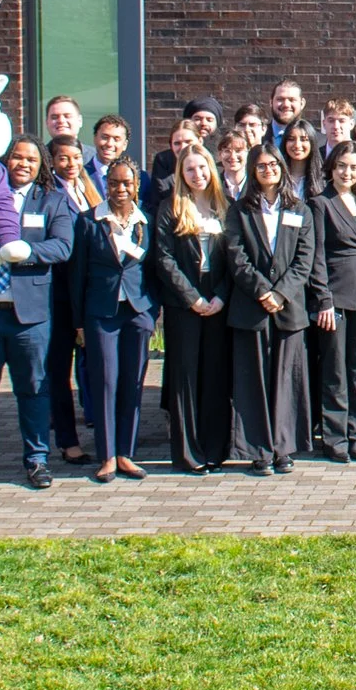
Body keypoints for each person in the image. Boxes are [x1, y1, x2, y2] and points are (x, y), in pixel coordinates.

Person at [0, 137, 74, 495]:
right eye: (17, 157)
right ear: (5, 161)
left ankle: (37, 460)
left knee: (34, 390)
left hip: (30, 316)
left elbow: (62, 247)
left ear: (42, 166)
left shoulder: (53, 200)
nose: (23, 163)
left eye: (32, 159)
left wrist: (19, 252)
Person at [229, 145, 317, 475]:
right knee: (255, 381)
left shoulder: (299, 209)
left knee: (287, 381)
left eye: (273, 164)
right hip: (251, 308)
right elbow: (237, 257)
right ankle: (258, 451)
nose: (268, 170)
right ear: (253, 171)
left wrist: (280, 293)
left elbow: (303, 260)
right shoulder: (239, 210)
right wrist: (262, 291)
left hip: (288, 308)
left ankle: (283, 448)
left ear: (282, 167)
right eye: (262, 166)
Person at [149, 143, 234, 474]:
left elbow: (234, 259)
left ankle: (215, 449)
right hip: (184, 305)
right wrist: (192, 298)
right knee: (185, 378)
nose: (197, 175)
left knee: (215, 377)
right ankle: (188, 454)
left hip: (218, 301)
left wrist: (222, 296)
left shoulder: (224, 206)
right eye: (189, 169)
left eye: (202, 168)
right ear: (180, 175)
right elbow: (164, 259)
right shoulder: (171, 208)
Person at [75, 162, 157, 484]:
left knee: (133, 383)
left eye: (127, 183)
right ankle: (107, 455)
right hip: (101, 312)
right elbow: (76, 275)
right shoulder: (88, 222)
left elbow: (153, 270)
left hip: (137, 312)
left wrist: (152, 313)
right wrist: (79, 321)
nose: (120, 189)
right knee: (105, 381)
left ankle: (126, 452)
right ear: (106, 184)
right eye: (114, 183)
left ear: (136, 185)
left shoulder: (145, 220)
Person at [311, 142, 356, 462]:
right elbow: (316, 257)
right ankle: (335, 437)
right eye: (342, 166)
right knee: (335, 370)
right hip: (335, 297)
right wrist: (323, 299)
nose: (347, 172)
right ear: (332, 167)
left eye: (354, 167)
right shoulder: (320, 204)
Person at [43, 134, 102, 463]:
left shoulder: (91, 189)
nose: (71, 164)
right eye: (63, 158)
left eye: (76, 158)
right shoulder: (49, 195)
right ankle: (67, 440)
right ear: (52, 160)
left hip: (89, 291)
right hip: (58, 294)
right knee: (58, 370)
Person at [85, 114, 132, 201]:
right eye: (105, 137)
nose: (109, 144)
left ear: (125, 145)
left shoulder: (141, 178)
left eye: (116, 139)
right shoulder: (80, 176)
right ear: (95, 138)